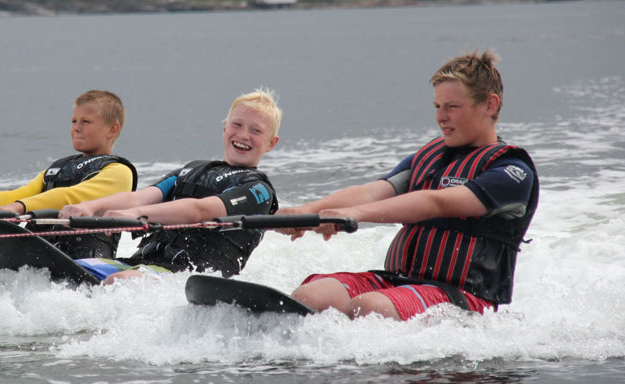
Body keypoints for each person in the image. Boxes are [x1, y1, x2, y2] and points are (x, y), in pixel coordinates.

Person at [279, 50, 538, 321]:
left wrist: (350, 216)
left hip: (463, 297)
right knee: (310, 297)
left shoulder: (512, 172)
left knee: (368, 308)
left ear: (490, 105)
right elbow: (371, 193)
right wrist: (307, 211)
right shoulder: (428, 158)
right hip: (399, 282)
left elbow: (434, 203)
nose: (441, 117)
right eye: (437, 107)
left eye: (452, 107)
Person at [59, 88, 282, 284]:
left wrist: (136, 214)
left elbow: (200, 211)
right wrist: (90, 206)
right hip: (145, 265)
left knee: (119, 281)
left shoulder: (259, 190)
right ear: (225, 127)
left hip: (192, 277)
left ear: (271, 143)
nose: (243, 135)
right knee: (72, 269)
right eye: (237, 125)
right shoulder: (191, 170)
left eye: (256, 130)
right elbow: (139, 198)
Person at [0, 90, 137, 259]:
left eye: (86, 121)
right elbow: (19, 193)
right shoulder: (60, 167)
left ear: (112, 129)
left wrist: (17, 208)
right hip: (42, 251)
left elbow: (71, 196)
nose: (76, 127)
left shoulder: (120, 172)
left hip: (89, 262)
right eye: (74, 121)